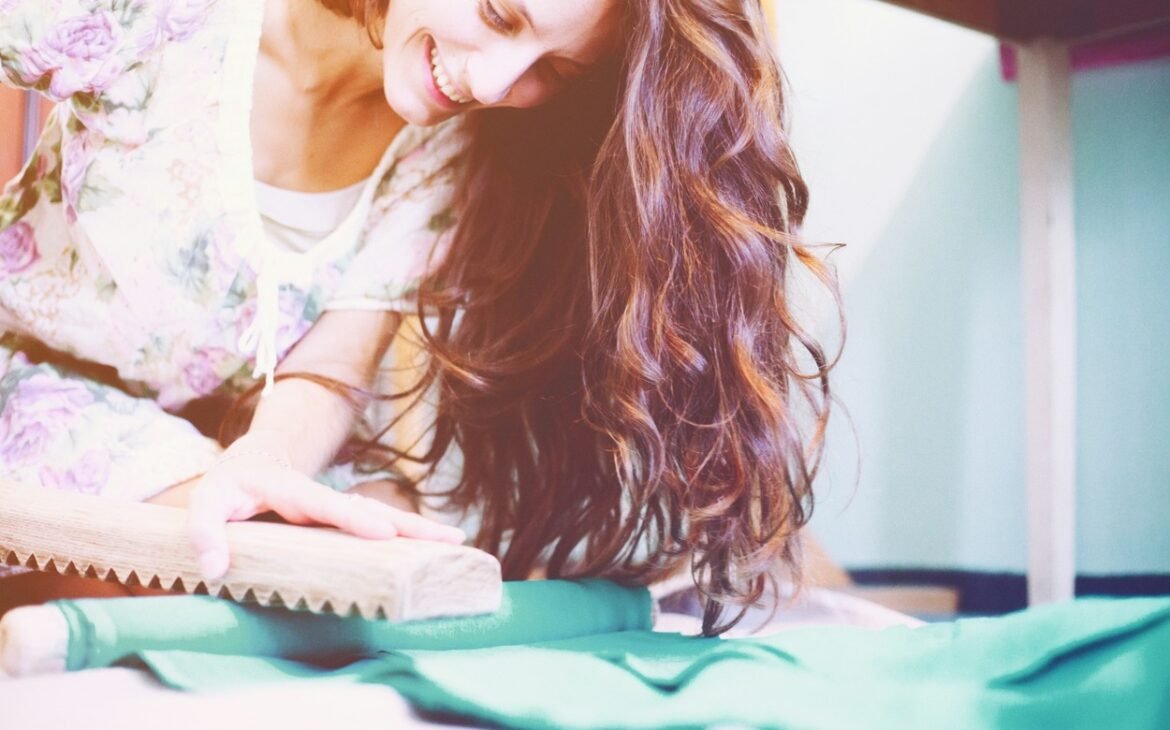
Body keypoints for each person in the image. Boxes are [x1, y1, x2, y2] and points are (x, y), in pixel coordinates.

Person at [0, 0, 837, 634]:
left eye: (557, 69)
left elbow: (331, 368)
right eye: (500, 14)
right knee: (293, 564)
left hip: (238, 428)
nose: (498, 85)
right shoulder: (173, 20)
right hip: (37, 393)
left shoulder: (449, 147)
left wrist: (266, 463)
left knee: (399, 540)